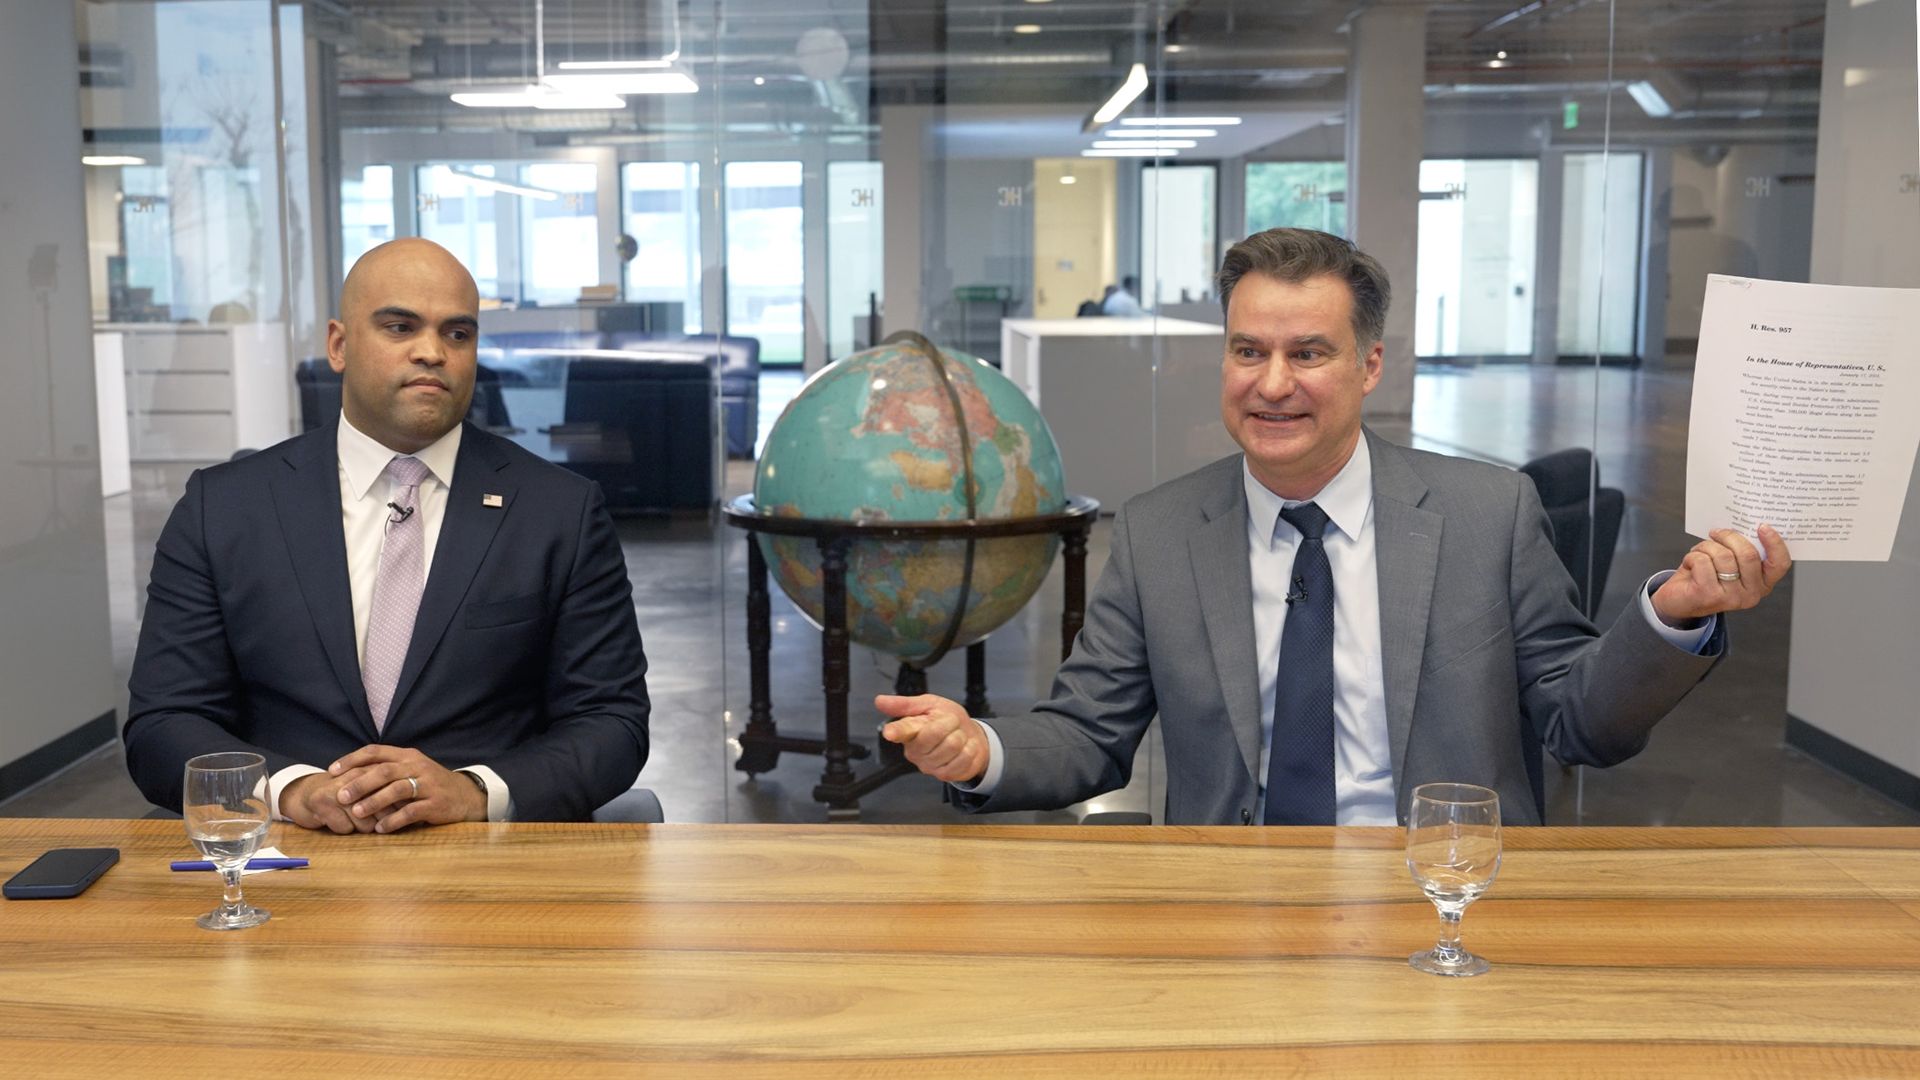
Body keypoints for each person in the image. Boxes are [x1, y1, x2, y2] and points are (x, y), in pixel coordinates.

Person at [877, 227, 1790, 825]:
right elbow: (1088, 736)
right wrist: (980, 748)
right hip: (1233, 914)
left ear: (1371, 364)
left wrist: (1669, 614)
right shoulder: (1160, 534)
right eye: (1248, 351)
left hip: (1443, 904)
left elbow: (1578, 723)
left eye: (1308, 352)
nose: (1272, 384)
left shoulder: (1485, 515)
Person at [125, 238, 650, 831]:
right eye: (400, 327)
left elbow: (613, 722)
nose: (431, 352)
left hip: (487, 873)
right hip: (290, 870)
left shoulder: (560, 511)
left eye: (457, 334)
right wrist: (292, 791)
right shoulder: (223, 508)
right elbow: (163, 724)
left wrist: (475, 793)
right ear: (339, 345)